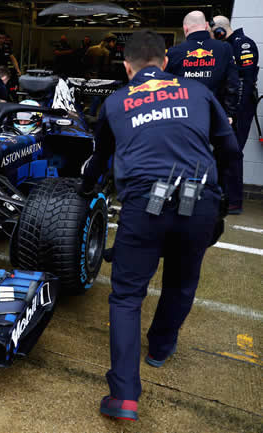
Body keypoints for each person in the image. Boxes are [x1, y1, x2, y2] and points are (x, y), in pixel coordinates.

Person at [78, 30, 239, 421]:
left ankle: (124, 397)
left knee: (127, 297)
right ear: (166, 62)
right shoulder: (198, 93)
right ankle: (160, 349)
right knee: (182, 283)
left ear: (127, 67)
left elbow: (98, 160)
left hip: (144, 206)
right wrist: (220, 200)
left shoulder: (115, 101)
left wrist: (84, 190)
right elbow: (231, 149)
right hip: (199, 201)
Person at [211, 15, 259, 214]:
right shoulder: (225, 47)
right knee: (222, 153)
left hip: (240, 109)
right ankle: (221, 196)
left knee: (233, 152)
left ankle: (234, 201)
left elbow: (245, 82)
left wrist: (235, 112)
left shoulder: (243, 44)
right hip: (227, 107)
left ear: (220, 31)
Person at [165, 11, 239, 123]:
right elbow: (232, 84)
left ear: (185, 29)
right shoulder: (225, 48)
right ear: (206, 26)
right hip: (215, 114)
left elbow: (166, 86)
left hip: (183, 115)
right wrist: (229, 113)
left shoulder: (173, 52)